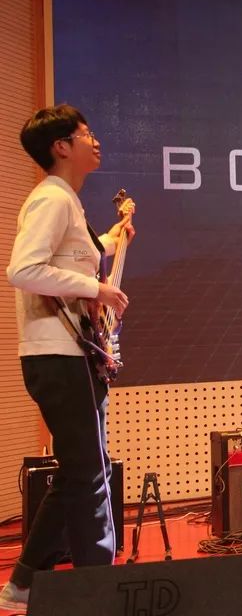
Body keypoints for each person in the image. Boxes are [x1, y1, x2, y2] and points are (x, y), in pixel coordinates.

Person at [0, 105, 134, 608]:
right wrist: (97, 288)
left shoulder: (66, 200)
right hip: (58, 357)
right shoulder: (52, 198)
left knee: (80, 470)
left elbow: (72, 257)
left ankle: (24, 584)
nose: (95, 140)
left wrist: (111, 240)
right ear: (61, 147)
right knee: (90, 476)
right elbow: (23, 269)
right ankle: (96, 592)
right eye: (85, 134)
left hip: (73, 355)